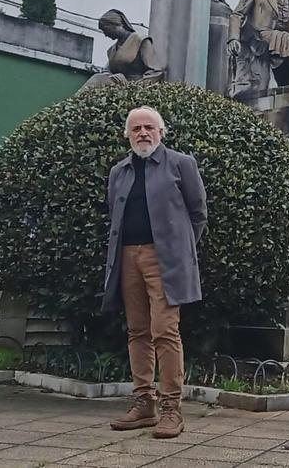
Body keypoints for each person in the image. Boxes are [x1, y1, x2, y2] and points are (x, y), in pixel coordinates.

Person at [101, 106, 207, 439]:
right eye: (136, 129)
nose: (143, 133)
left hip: (165, 260)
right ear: (127, 135)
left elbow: (198, 214)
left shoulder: (181, 164)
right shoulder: (119, 171)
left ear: (161, 131)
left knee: (164, 330)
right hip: (127, 258)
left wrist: (179, 250)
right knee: (137, 331)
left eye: (149, 127)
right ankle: (143, 402)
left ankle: (171, 409)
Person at [79, 10, 164, 91]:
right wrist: (116, 77)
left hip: (134, 87)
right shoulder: (111, 50)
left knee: (97, 78)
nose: (105, 34)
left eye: (106, 30)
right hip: (116, 86)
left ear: (118, 25)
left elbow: (155, 71)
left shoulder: (140, 41)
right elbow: (106, 71)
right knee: (98, 78)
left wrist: (135, 87)